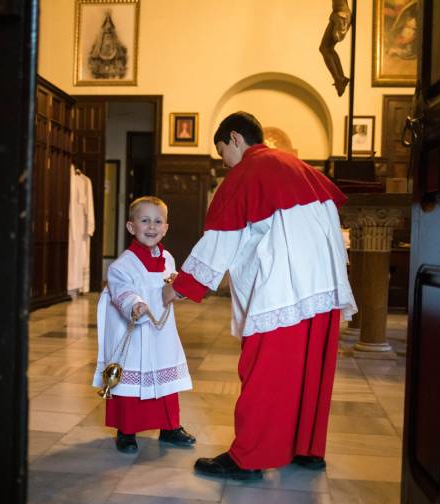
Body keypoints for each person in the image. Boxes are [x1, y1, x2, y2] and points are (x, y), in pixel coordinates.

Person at [164, 112, 356, 479]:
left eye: (223, 154)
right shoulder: (304, 169)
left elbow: (221, 239)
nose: (224, 164)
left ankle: (247, 458)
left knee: (263, 373)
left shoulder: (247, 173)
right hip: (324, 290)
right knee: (310, 373)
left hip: (283, 292)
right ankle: (307, 450)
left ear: (235, 139)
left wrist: (181, 287)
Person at [94, 196, 196, 453]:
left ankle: (170, 427)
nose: (151, 227)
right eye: (145, 220)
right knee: (130, 377)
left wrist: (178, 291)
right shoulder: (122, 265)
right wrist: (134, 304)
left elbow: (170, 284)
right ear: (131, 227)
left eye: (157, 221)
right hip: (134, 331)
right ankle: (126, 431)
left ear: (166, 227)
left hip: (161, 331)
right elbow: (121, 290)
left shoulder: (168, 258)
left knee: (165, 374)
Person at [319, 0, 352, 96]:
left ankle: (339, 79)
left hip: (341, 15)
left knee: (325, 48)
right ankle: (340, 78)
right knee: (327, 48)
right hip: (338, 14)